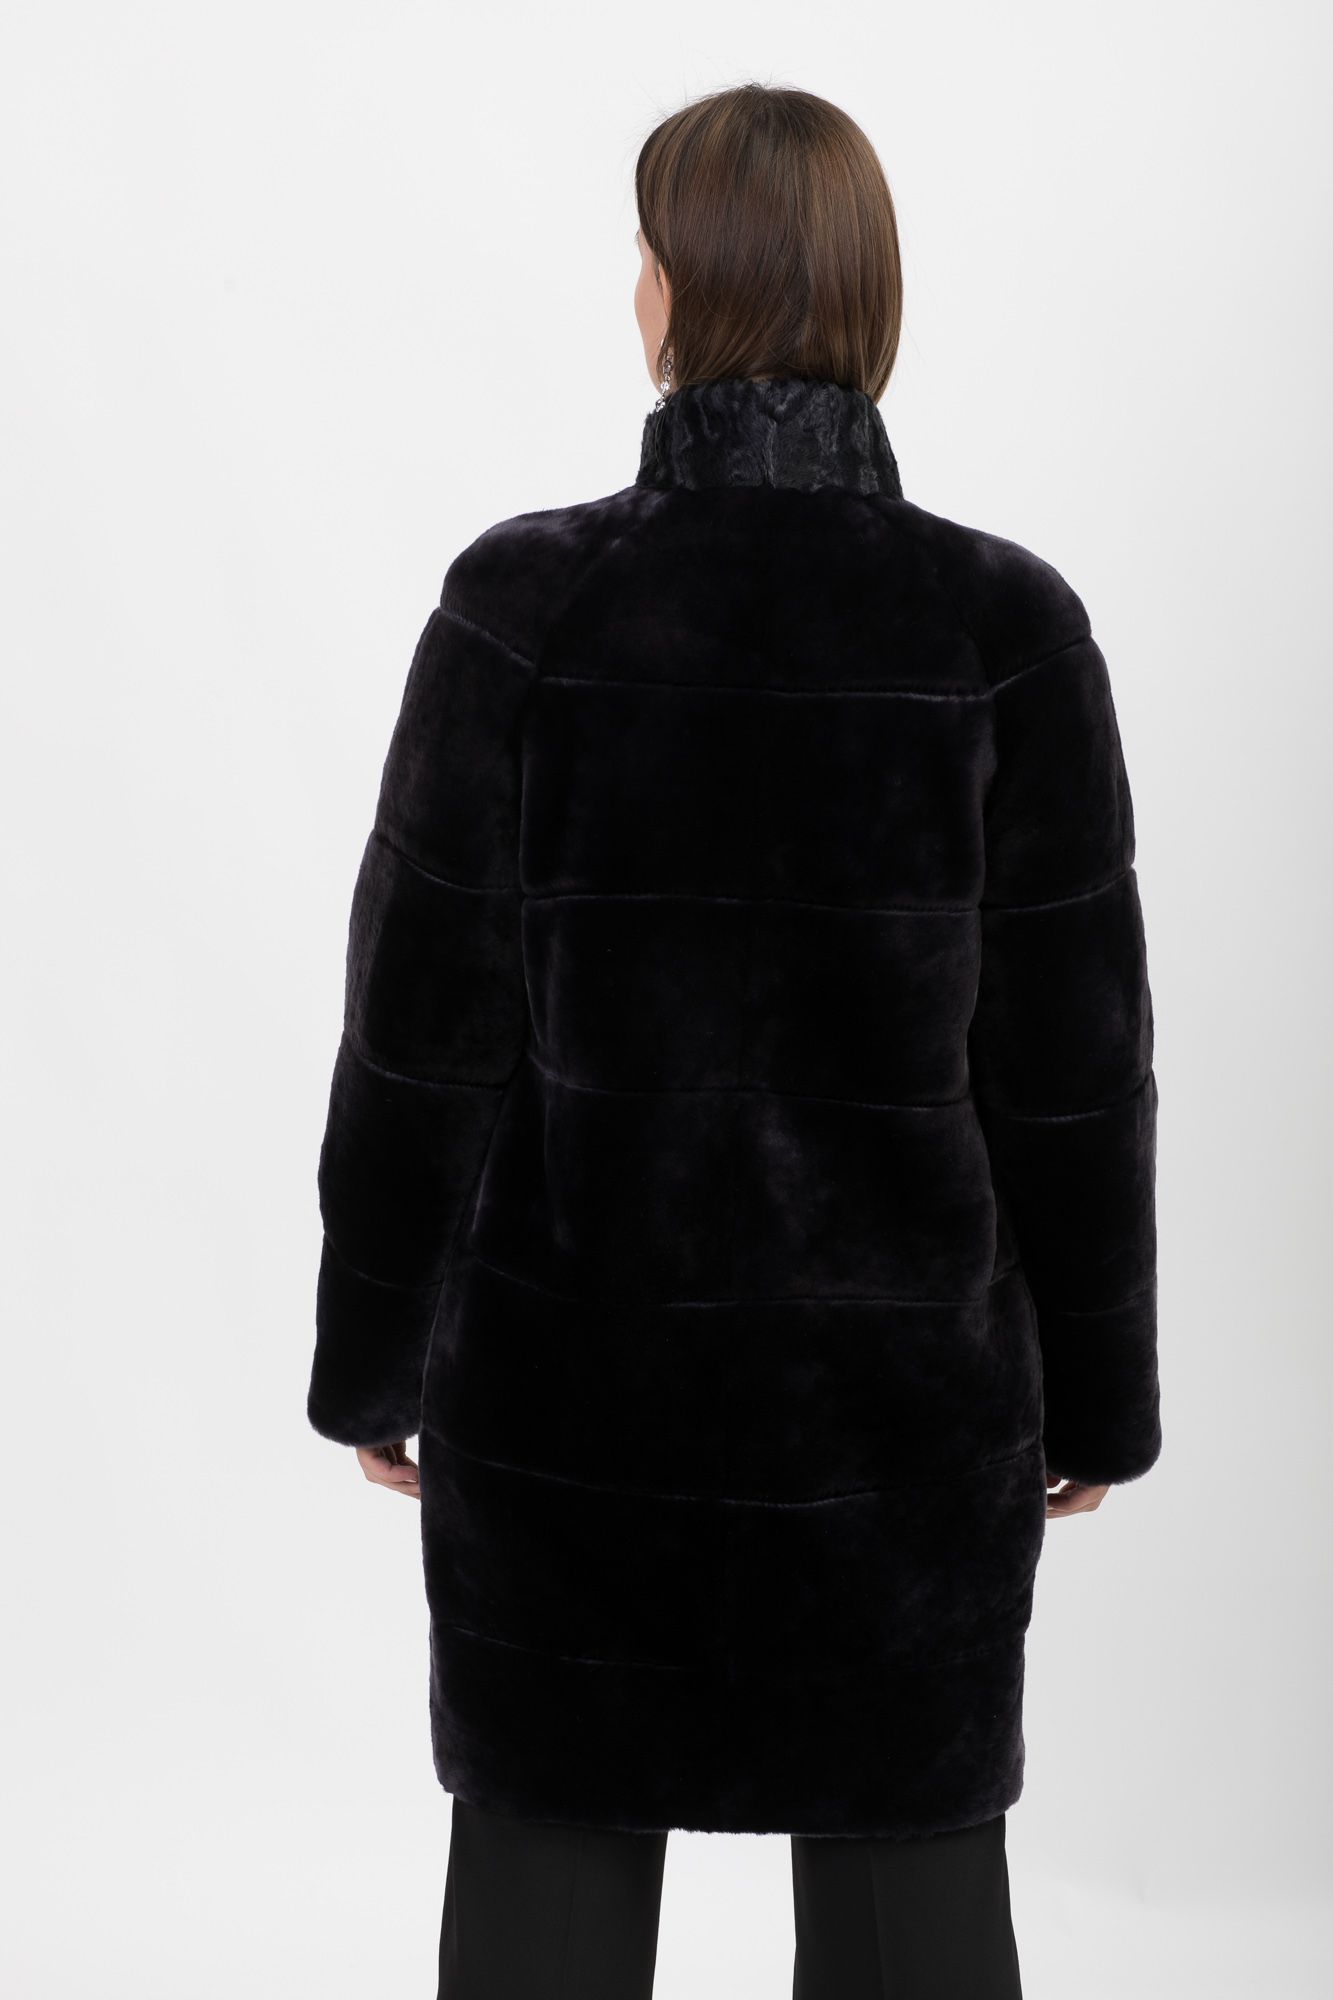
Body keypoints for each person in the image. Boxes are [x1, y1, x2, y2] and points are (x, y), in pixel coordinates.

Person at [306, 81, 1161, 2000]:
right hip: (897, 1419)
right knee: (909, 1917)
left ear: (679, 285)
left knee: (542, 1910)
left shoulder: (525, 603)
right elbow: (1075, 1071)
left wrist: (373, 1357)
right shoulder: (1004, 626)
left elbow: (420, 1031)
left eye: (641, 248)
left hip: (572, 1399)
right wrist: (1097, 1393)